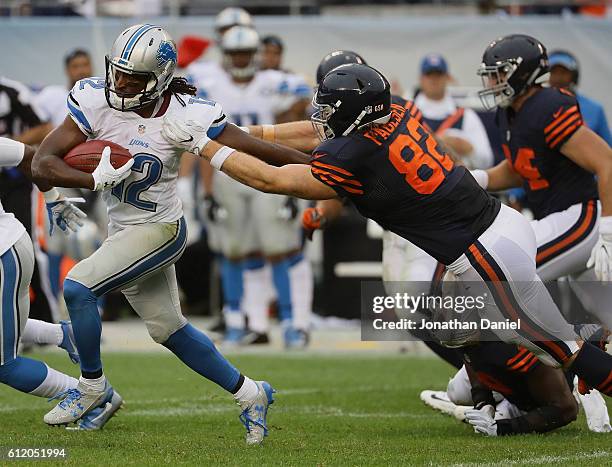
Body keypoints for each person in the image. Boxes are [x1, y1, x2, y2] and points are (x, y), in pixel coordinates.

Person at [161, 62, 612, 397]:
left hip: (486, 254)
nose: (321, 115)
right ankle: (507, 383)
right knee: (448, 326)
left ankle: (576, 348)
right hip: (498, 227)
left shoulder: (355, 154)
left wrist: (203, 145)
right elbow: (310, 141)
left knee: (560, 347)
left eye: (330, 107)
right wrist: (243, 131)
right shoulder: (395, 110)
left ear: (354, 112)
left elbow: (272, 179)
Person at [32, 24, 309, 444]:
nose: (120, 83)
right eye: (117, 72)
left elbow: (253, 147)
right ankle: (251, 393)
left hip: (161, 229)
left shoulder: (187, 113)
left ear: (159, 79)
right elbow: (41, 164)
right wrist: (90, 181)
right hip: (123, 228)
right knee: (169, 330)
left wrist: (317, 166)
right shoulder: (94, 99)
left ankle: (92, 388)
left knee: (78, 288)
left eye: (133, 77)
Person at [303, 50, 463, 369]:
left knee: (431, 305)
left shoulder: (388, 120)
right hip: (400, 227)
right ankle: (479, 376)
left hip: (425, 226)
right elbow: (336, 183)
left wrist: (232, 142)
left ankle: (491, 377)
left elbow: (326, 173)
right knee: (411, 313)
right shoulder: (348, 134)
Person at [472, 35, 612, 345]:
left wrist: (608, 231)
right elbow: (522, 167)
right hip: (558, 217)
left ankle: (552, 363)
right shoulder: (509, 113)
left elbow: (606, 162)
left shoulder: (548, 106)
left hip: (580, 217)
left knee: (503, 276)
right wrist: (478, 178)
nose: (493, 80)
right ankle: (577, 375)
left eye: (500, 72)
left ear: (523, 73)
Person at [187, 26, 313, 347]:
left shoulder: (272, 83)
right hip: (228, 173)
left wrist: (288, 115)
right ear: (226, 56)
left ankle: (289, 323)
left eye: (245, 53)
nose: (241, 59)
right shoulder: (210, 85)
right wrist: (208, 190)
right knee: (232, 252)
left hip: (268, 174)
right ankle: (236, 322)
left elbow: (305, 96)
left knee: (278, 249)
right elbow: (203, 141)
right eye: (236, 54)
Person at [0, 137, 121, 431]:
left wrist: (53, 197)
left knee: (4, 364)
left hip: (3, 250)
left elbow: (31, 156)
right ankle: (63, 334)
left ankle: (91, 396)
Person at [414, 54, 494, 170]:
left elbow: (487, 161)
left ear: (448, 78)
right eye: (429, 75)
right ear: (421, 79)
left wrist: (467, 148)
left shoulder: (465, 115)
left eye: (439, 75)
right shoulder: (408, 113)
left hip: (454, 184)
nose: (434, 80)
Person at [548, 49, 611, 146]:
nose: (558, 78)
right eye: (554, 72)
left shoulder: (594, 109)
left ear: (574, 76)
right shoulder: (535, 106)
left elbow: (608, 148)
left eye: (563, 73)